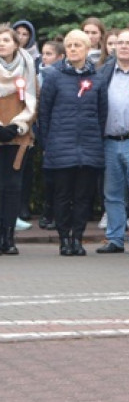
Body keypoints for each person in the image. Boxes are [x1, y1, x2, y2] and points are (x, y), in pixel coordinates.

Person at [37, 29, 107, 256]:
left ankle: (78, 238)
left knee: (83, 197)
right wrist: (47, 144)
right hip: (60, 145)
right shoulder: (53, 76)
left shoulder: (97, 78)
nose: (74, 49)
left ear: (88, 49)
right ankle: (64, 239)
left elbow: (101, 114)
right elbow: (44, 113)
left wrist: (95, 138)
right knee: (62, 195)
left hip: (89, 146)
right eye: (70, 46)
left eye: (78, 45)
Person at [96, 30, 129, 255]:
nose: (124, 47)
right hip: (109, 141)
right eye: (120, 43)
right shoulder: (104, 72)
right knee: (112, 194)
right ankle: (115, 238)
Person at [0, 25, 38, 253]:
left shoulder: (27, 66)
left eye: (6, 39)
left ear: (16, 43)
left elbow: (32, 99)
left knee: (12, 188)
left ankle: (8, 237)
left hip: (18, 137)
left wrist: (17, 126)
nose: (2, 43)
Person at [36, 39, 64, 231]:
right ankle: (47, 211)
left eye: (49, 54)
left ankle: (54, 213)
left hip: (59, 132)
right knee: (46, 175)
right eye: (43, 54)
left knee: (57, 177)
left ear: (60, 57)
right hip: (40, 128)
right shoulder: (37, 76)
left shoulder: (61, 76)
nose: (44, 58)